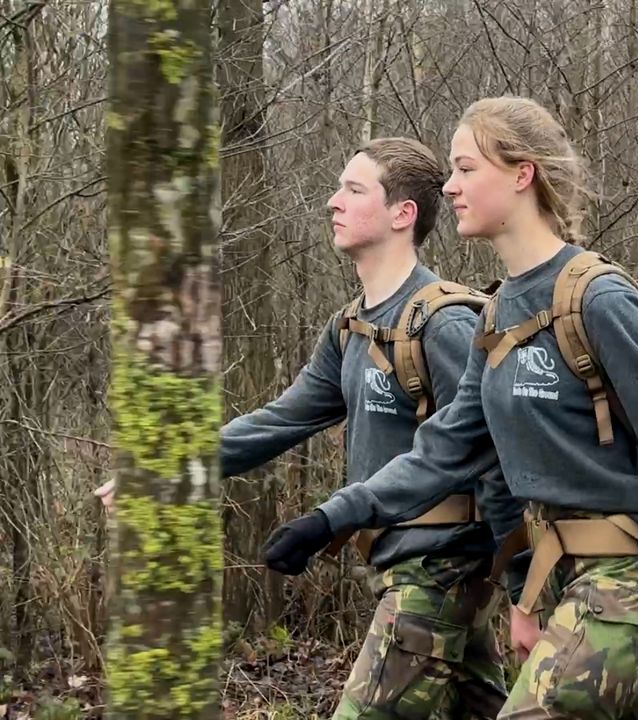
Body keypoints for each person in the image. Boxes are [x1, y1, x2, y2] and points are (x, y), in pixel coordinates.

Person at [259, 95, 638, 719]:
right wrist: (331, 518)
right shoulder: (498, 313)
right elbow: (444, 451)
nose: (450, 187)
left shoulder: (598, 298)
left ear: (522, 174)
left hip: (625, 578)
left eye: (467, 169)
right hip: (560, 580)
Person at [98, 137, 511, 720]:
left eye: (354, 189)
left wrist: (520, 581)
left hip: (438, 571)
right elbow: (281, 419)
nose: (332, 201)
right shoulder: (350, 327)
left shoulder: (441, 324)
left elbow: (490, 451)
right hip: (403, 568)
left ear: (403, 214)